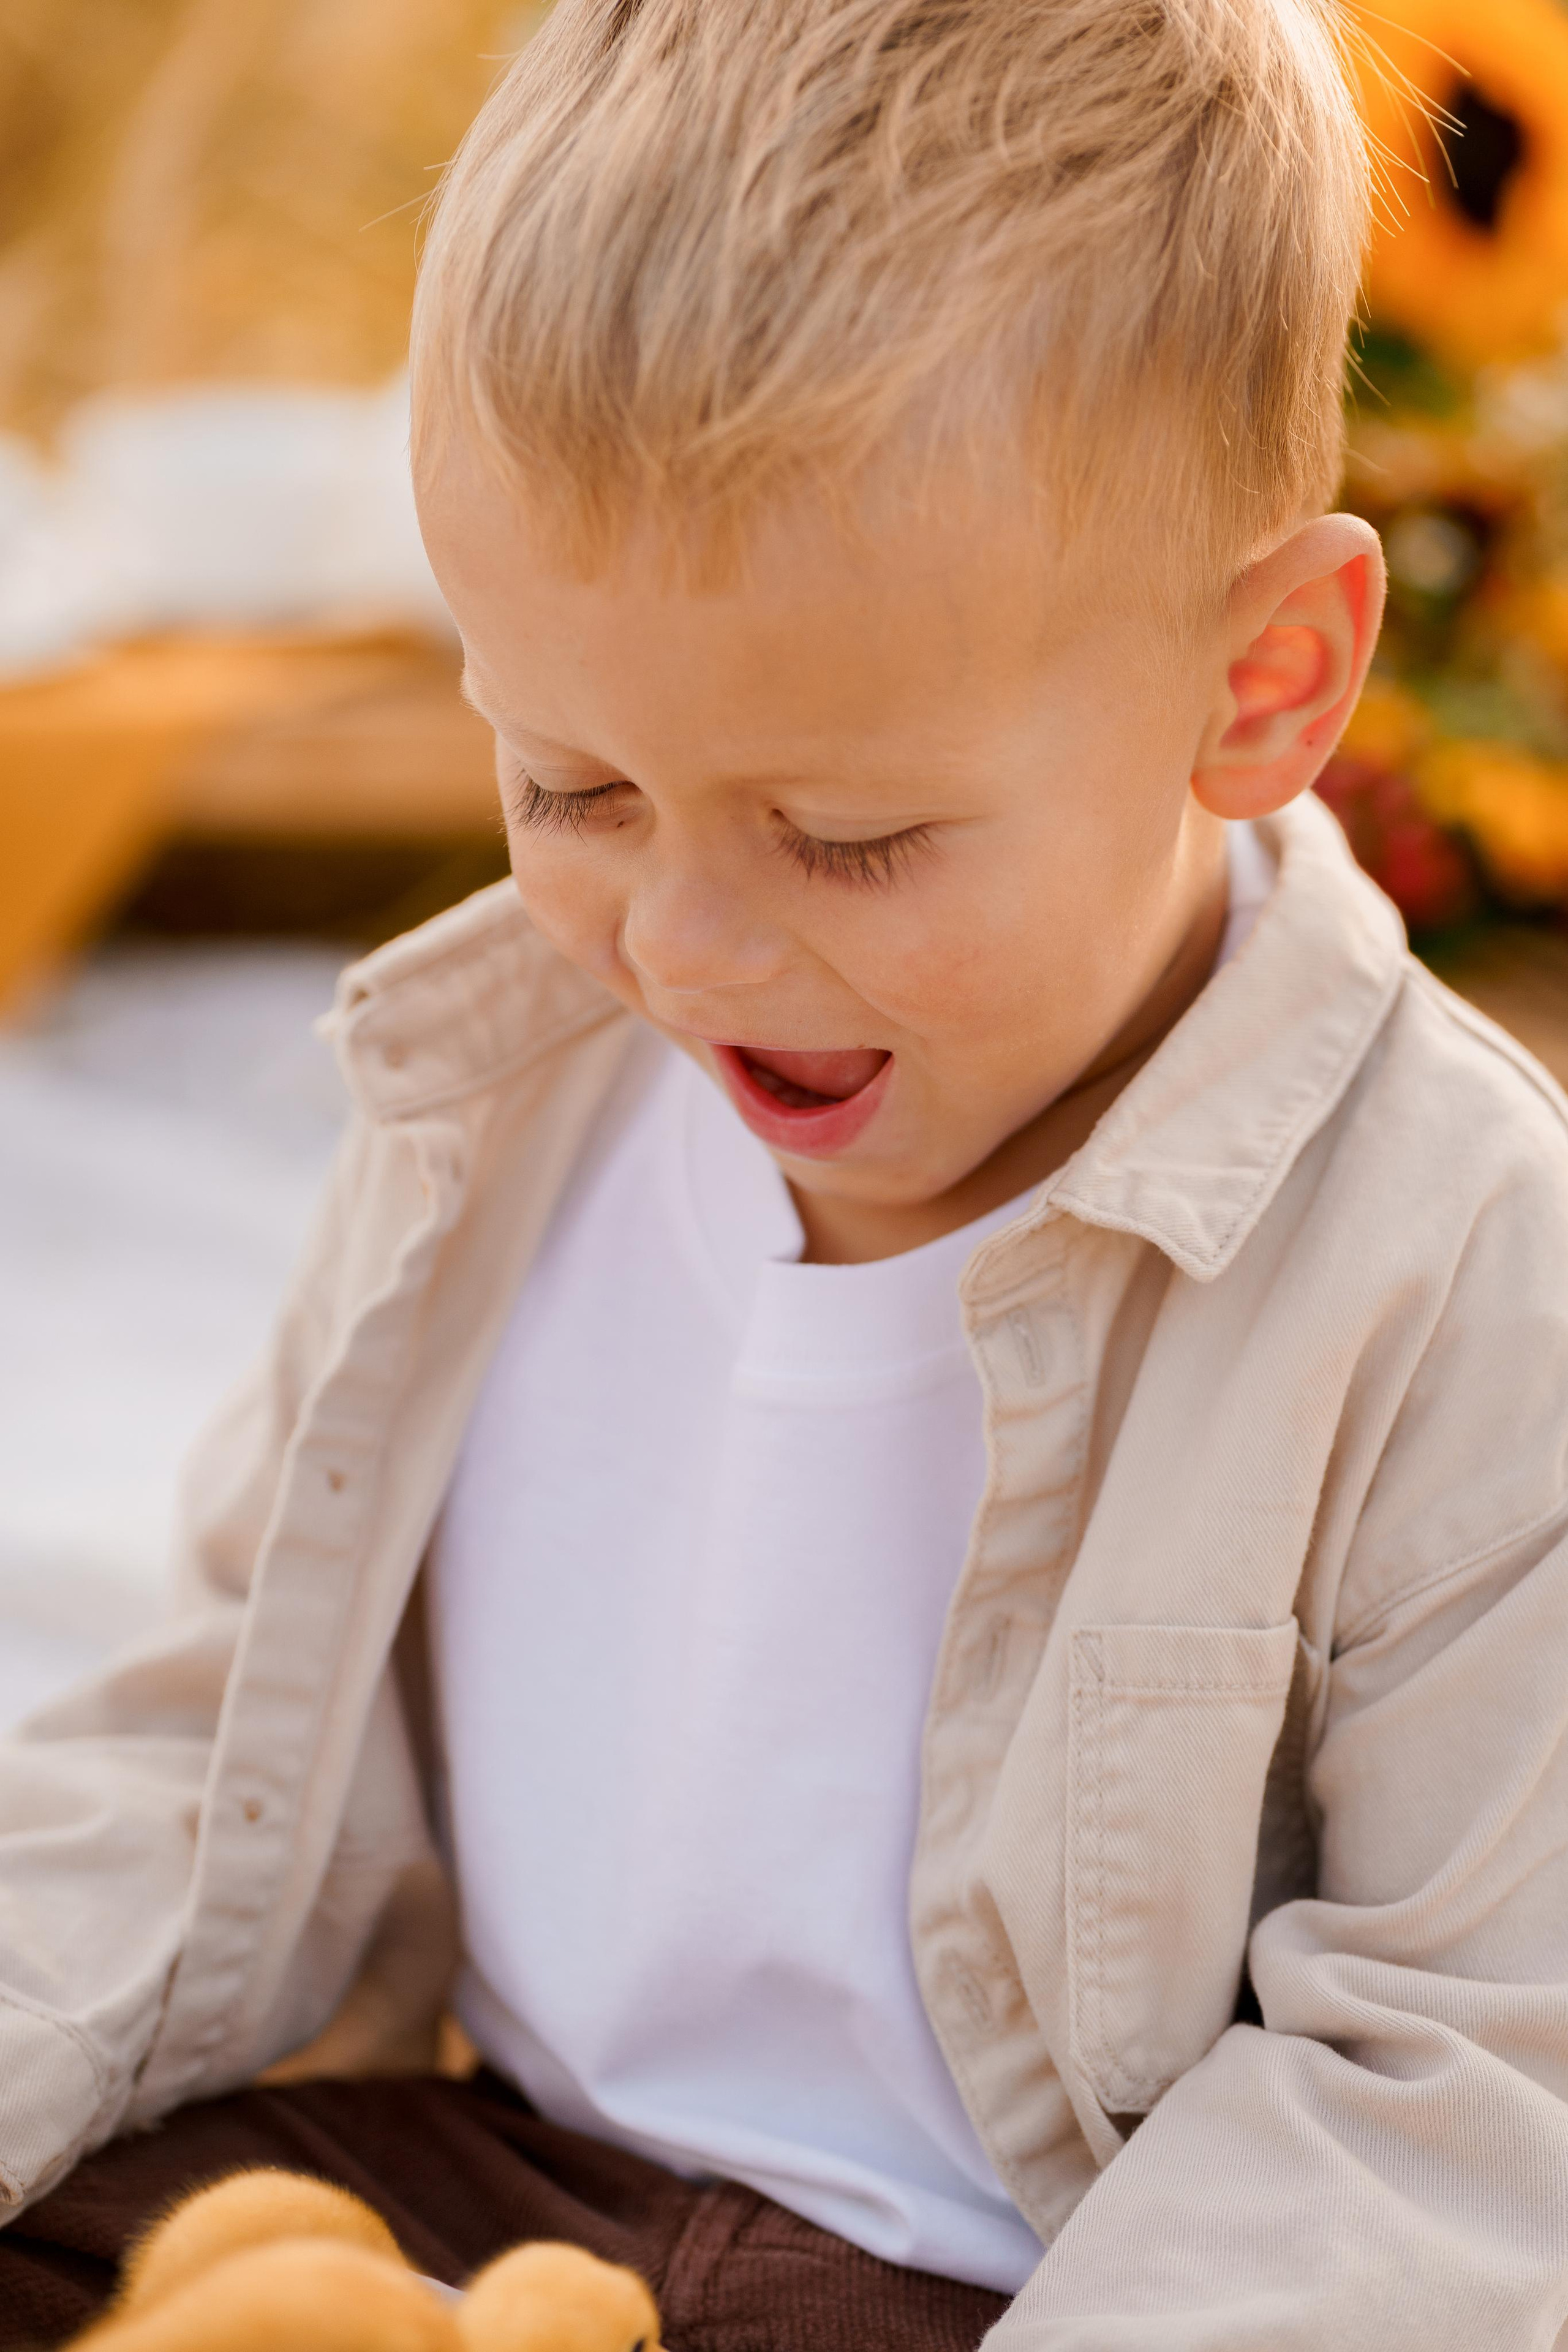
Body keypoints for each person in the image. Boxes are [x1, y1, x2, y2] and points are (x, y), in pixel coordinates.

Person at [5, 1, 1568, 2346]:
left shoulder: (1456, 1272)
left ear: (1264, 682)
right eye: (569, 787)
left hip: (1007, 2280)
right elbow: (217, 1720)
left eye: (851, 837)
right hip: (492, 2172)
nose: (681, 944)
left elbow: (1457, 2104)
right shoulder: (505, 1093)